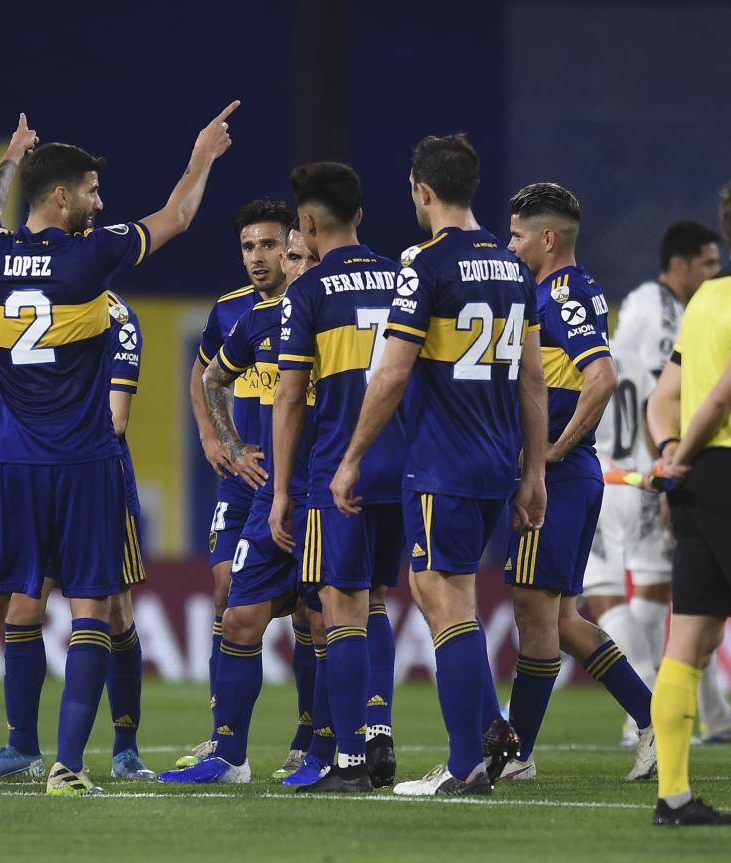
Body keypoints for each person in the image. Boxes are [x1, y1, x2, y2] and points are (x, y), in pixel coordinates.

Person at [0, 104, 238, 797]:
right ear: (60, 196)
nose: (101, 202)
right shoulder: (90, 256)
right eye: (92, 190)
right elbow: (176, 217)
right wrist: (202, 156)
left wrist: (9, 156)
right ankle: (67, 769)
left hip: (12, 465)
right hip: (88, 464)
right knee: (91, 611)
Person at [332, 134, 548, 796]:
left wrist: (352, 458)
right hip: (496, 464)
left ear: (421, 190)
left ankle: (466, 764)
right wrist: (534, 472)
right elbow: (533, 382)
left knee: (442, 596)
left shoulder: (424, 265)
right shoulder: (515, 269)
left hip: (442, 464)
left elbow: (392, 373)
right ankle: (489, 738)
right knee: (452, 597)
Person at [500, 182, 655, 783]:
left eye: (516, 236)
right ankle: (652, 723)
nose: (510, 247)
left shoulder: (559, 292)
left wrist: (549, 454)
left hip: (560, 478)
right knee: (562, 621)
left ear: (546, 238)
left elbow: (603, 376)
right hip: (569, 476)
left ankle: (517, 755)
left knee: (537, 618)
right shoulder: (560, 291)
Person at [160, 225, 319, 786]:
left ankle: (311, 738)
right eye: (248, 247)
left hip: (307, 483)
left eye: (272, 247)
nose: (259, 257)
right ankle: (224, 736)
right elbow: (205, 376)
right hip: (247, 479)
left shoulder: (320, 308)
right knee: (228, 594)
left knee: (312, 611)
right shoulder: (235, 313)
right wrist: (222, 442)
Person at [0, 290, 155, 781]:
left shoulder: (115, 313)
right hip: (41, 475)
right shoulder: (43, 299)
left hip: (94, 479)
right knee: (23, 606)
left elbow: (116, 418)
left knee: (113, 607)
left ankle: (125, 747)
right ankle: (22, 745)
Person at [268, 162, 405, 792]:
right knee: (376, 602)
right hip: (402, 469)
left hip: (338, 474)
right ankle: (378, 731)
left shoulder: (309, 291)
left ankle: (349, 760)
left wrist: (280, 492)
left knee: (340, 611)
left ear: (309, 223)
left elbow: (291, 398)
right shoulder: (407, 277)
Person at [585, 220, 731, 745]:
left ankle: (645, 711)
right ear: (681, 264)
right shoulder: (666, 309)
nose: (715, 273)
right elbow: (661, 395)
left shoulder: (643, 308)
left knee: (619, 594)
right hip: (638, 465)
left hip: (628, 467)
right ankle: (662, 711)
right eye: (709, 264)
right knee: (652, 594)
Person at [644, 182, 731, 826]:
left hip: (701, 481)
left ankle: (673, 797)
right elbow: (723, 397)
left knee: (691, 640)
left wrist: (674, 453)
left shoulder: (706, 298)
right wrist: (683, 452)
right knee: (690, 638)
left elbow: (661, 397)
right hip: (726, 463)